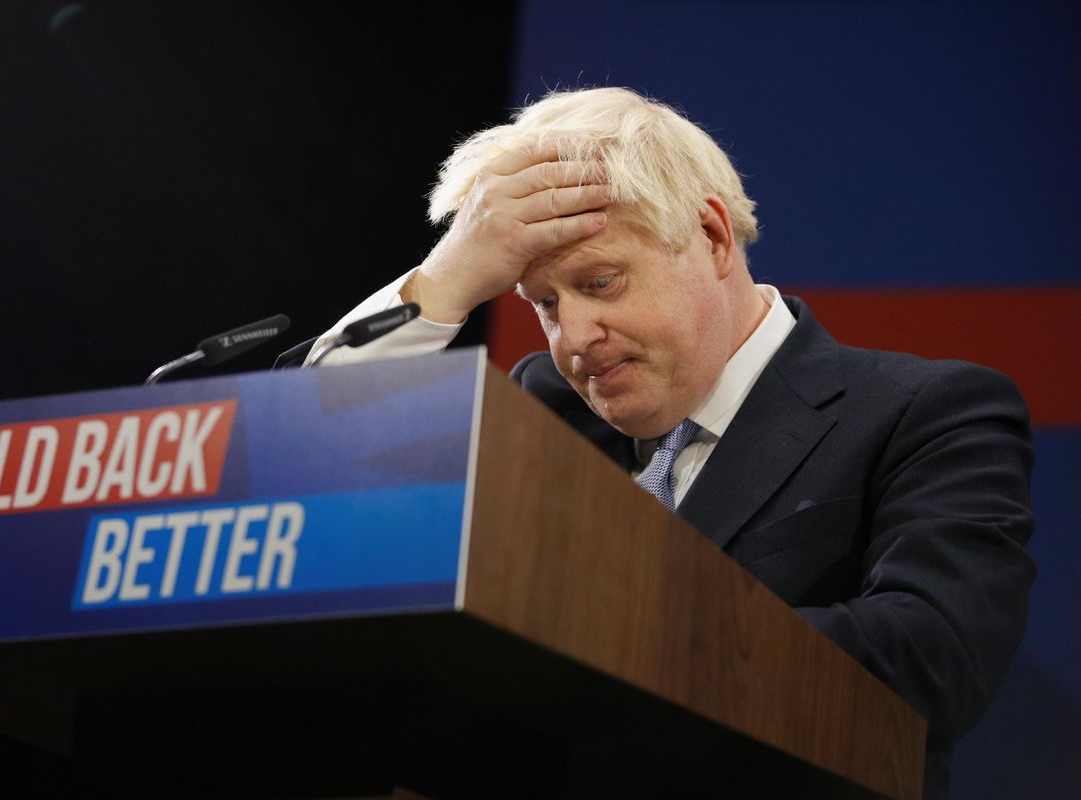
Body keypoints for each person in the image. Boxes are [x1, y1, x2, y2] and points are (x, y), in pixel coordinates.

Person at [291, 87, 1035, 799]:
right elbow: (307, 468)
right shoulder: (541, 410)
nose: (573, 339)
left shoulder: (924, 413)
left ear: (710, 237)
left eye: (602, 282)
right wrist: (445, 281)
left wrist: (602, 642)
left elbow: (934, 658)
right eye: (546, 304)